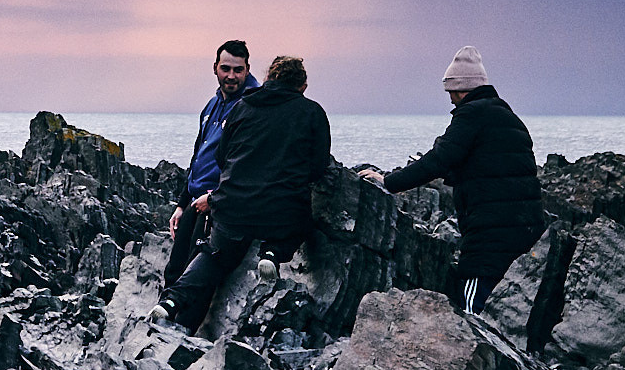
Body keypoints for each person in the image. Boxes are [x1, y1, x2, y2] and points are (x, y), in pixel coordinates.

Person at [153, 55, 330, 331]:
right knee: (302, 221)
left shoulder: (244, 106)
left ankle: (172, 299)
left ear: (268, 78)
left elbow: (221, 156)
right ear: (303, 86)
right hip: (280, 209)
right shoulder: (312, 112)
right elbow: (318, 167)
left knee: (213, 255)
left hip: (233, 206)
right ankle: (272, 253)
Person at [362, 46, 544, 314]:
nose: (450, 99)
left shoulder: (471, 115)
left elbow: (439, 159)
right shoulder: (510, 118)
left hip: (489, 232)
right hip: (525, 229)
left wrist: (389, 182)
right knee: (507, 308)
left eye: (451, 91)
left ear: (462, 88)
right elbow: (490, 165)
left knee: (472, 308)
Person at [164, 41, 258, 288]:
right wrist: (181, 204)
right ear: (215, 67)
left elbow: (248, 165)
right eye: (225, 68)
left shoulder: (252, 106)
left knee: (193, 276)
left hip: (218, 206)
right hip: (196, 202)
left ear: (247, 70)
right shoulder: (212, 104)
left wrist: (216, 197)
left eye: (238, 70)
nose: (231, 76)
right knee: (174, 271)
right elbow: (198, 156)